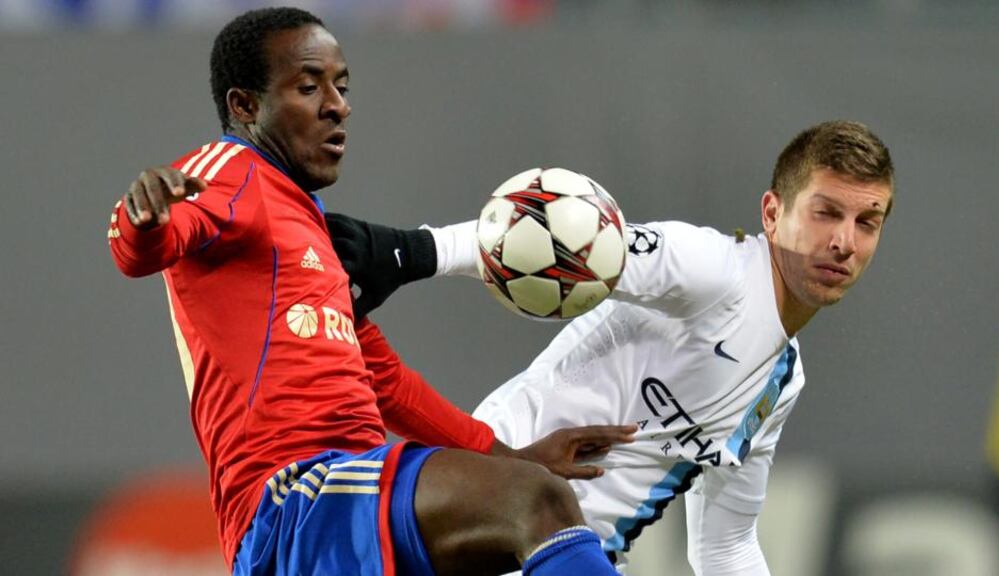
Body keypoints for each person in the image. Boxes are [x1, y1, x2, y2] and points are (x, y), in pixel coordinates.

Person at [106, 7, 637, 576]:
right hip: (293, 502)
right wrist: (144, 216)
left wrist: (510, 456)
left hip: (349, 500)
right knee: (533, 503)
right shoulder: (229, 173)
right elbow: (143, 248)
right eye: (309, 86)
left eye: (341, 85)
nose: (337, 105)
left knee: (520, 516)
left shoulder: (307, 222)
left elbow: (384, 380)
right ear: (245, 106)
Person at [328, 120, 895, 574]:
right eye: (826, 212)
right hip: (496, 505)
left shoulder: (780, 383)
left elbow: (725, 549)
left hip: (568, 554)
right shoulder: (713, 270)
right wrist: (409, 252)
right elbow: (556, 234)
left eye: (867, 221)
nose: (845, 241)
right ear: (772, 214)